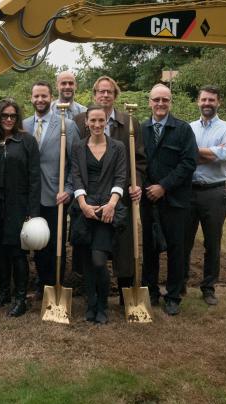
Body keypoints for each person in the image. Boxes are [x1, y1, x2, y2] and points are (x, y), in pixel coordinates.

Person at [74, 75, 146, 300]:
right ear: (94, 95)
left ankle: (125, 293)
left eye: (109, 92)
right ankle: (91, 293)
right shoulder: (79, 121)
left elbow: (140, 160)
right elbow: (75, 161)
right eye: (100, 92)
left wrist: (138, 184)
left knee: (124, 249)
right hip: (90, 197)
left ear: (115, 96)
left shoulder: (130, 121)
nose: (105, 95)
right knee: (90, 247)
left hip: (120, 196)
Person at [141, 84, 197, 316]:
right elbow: (137, 162)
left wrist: (163, 186)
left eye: (165, 100)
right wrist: (146, 188)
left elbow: (189, 163)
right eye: (156, 100)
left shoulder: (182, 129)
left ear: (170, 102)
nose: (160, 104)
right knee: (149, 249)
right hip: (147, 200)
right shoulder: (141, 128)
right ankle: (151, 291)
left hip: (174, 201)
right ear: (149, 102)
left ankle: (173, 296)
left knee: (176, 249)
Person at [23, 81, 81, 299]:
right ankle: (40, 284)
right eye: (36, 96)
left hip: (55, 195)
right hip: (30, 195)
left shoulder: (66, 125)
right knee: (36, 240)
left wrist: (69, 189)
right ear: (31, 98)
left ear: (51, 98)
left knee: (54, 242)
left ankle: (55, 283)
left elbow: (75, 162)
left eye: (44, 96)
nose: (40, 100)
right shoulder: (25, 124)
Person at [71, 105, 127, 324]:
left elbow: (120, 177)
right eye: (92, 120)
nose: (96, 125)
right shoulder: (77, 147)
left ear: (106, 122)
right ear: (86, 122)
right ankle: (91, 304)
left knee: (98, 260)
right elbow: (75, 175)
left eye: (101, 121)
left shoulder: (118, 147)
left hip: (106, 211)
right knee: (86, 261)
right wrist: (83, 204)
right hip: (84, 209)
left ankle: (103, 305)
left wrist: (112, 203)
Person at [184, 85, 226, 305]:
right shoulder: (189, 128)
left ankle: (208, 287)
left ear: (218, 102)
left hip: (214, 193)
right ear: (198, 101)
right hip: (188, 192)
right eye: (204, 99)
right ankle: (180, 283)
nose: (207, 103)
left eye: (211, 100)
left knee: (212, 243)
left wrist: (194, 154)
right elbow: (183, 156)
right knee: (183, 241)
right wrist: (212, 153)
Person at [0, 99, 40, 317]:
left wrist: (32, 211)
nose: (9, 120)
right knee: (0, 251)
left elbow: (35, 177)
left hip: (19, 205)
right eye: (4, 116)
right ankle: (4, 292)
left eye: (13, 116)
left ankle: (21, 298)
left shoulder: (27, 141)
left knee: (18, 253)